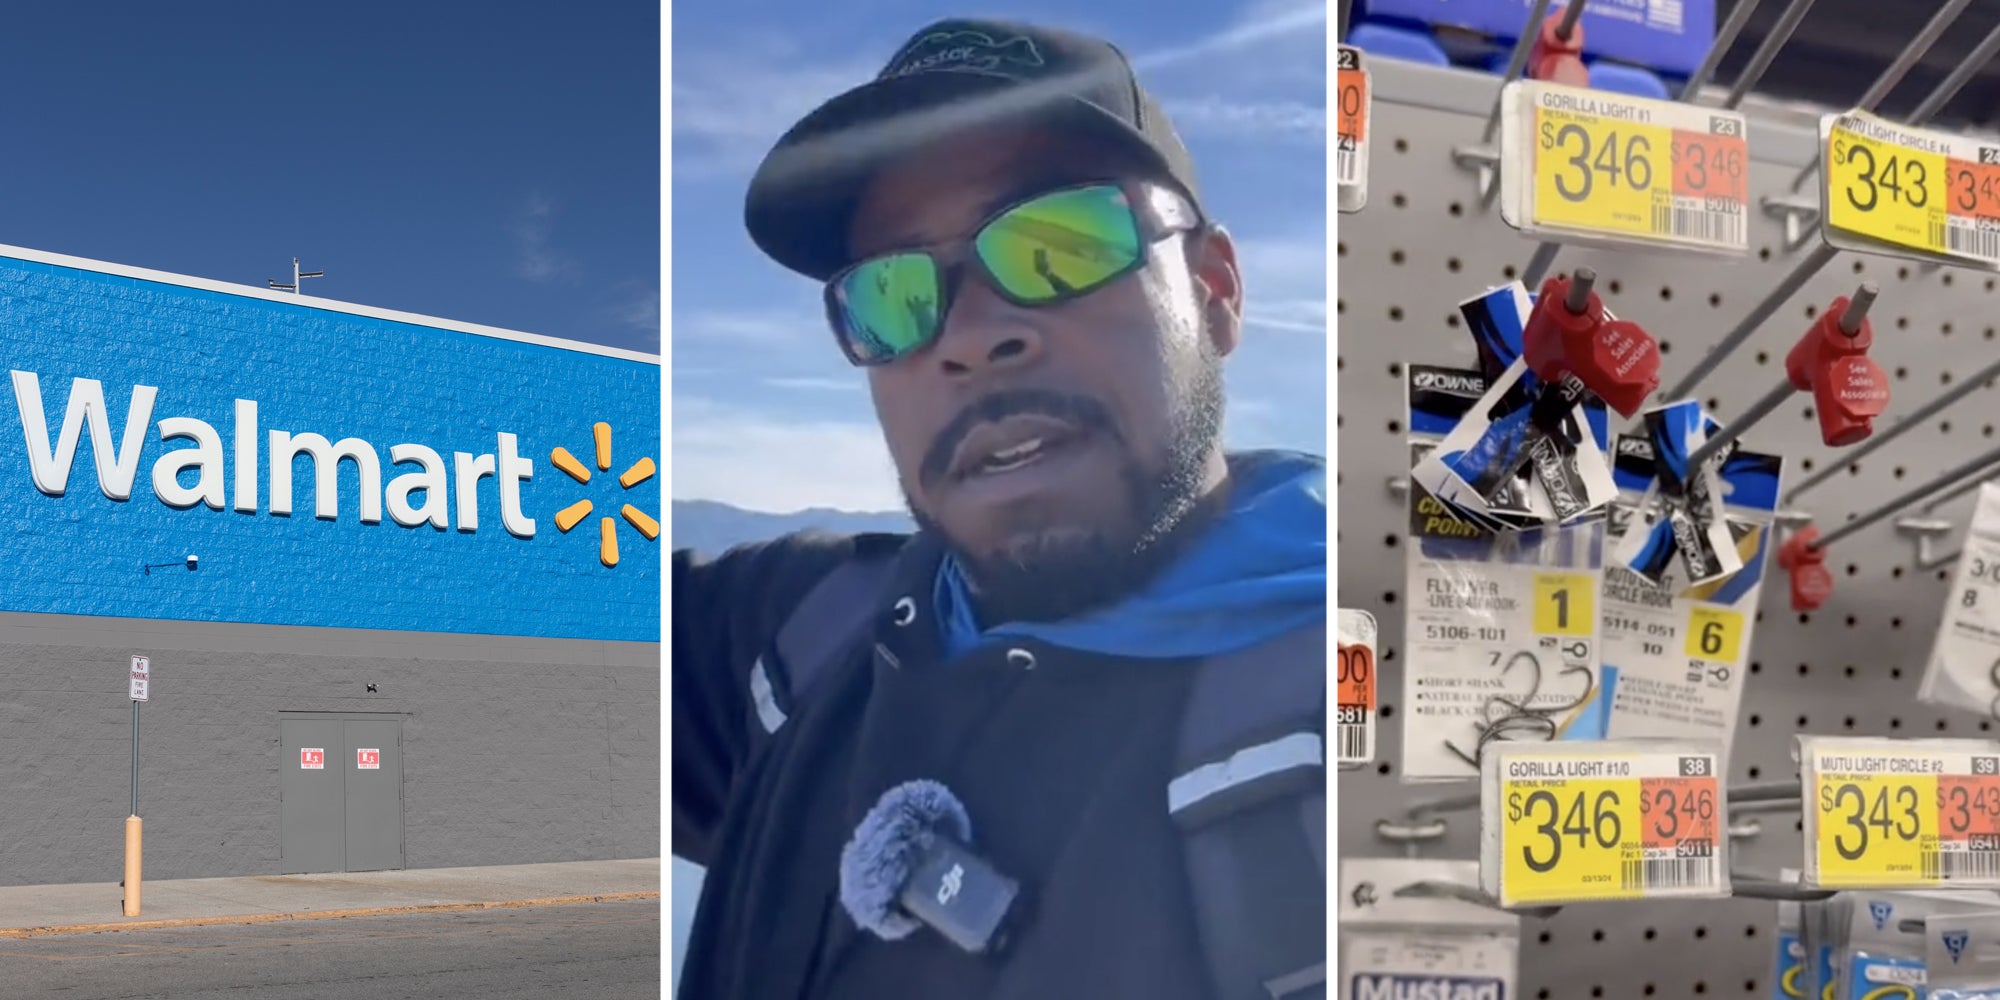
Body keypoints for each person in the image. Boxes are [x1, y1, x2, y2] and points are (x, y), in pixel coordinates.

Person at [672, 17, 1328, 1000]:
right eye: (891, 293)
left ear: (1213, 289)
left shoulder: (1350, 723)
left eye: (1058, 246)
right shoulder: (798, 645)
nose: (970, 337)